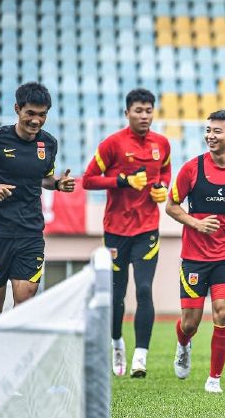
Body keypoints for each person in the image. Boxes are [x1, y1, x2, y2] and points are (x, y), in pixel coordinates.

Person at [167, 110, 225, 393]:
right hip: (194, 258)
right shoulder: (191, 168)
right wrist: (196, 223)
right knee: (190, 323)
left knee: (223, 313)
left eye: (217, 131)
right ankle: (183, 344)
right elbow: (171, 206)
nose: (210, 135)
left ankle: (214, 379)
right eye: (208, 130)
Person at [83, 88, 171, 378]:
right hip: (116, 230)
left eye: (148, 111)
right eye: (138, 111)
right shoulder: (112, 144)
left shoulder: (162, 143)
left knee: (144, 289)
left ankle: (140, 358)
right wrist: (123, 181)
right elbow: (88, 180)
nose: (144, 116)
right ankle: (117, 343)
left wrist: (161, 189)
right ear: (127, 113)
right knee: (117, 295)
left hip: (147, 227)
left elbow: (165, 172)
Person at [0, 82, 75, 326]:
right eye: (30, 113)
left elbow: (44, 178)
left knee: (25, 305)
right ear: (17, 109)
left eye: (42, 115)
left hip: (30, 234)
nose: (36, 120)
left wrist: (58, 184)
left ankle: (13, 362)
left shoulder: (48, 144)